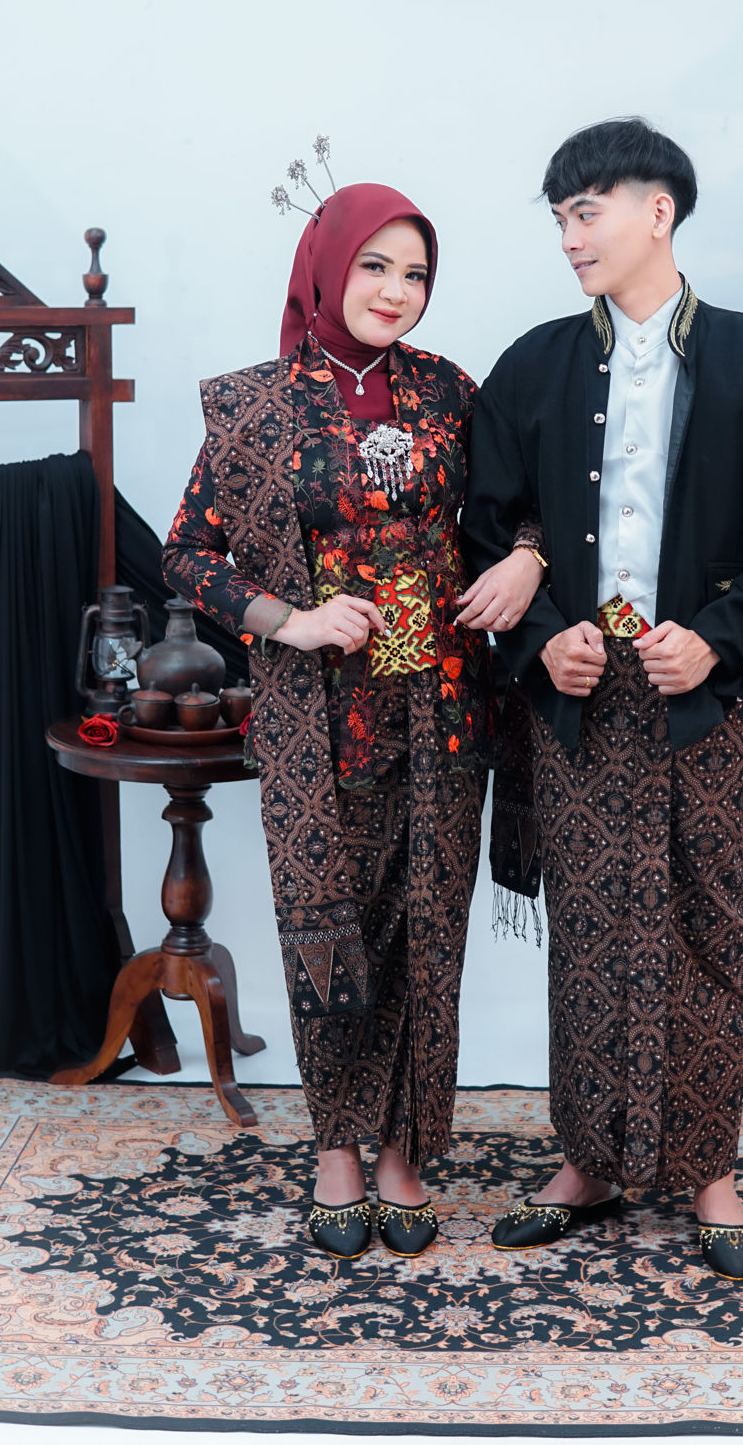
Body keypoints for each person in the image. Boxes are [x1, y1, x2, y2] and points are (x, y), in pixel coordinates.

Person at [461, 119, 743, 1281]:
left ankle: (708, 1167)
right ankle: (588, 1159)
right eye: (560, 217)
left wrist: (718, 640)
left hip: (697, 697)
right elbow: (486, 529)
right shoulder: (532, 366)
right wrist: (540, 640)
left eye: (588, 210)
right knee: (587, 926)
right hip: (576, 696)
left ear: (657, 210)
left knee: (705, 920)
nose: (570, 236)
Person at [162, 182, 541, 1261]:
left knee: (430, 928)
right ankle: (337, 1145)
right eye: (375, 265)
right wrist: (289, 618)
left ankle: (407, 1149)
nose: (396, 290)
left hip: (445, 707)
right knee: (326, 927)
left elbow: (521, 505)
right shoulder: (254, 407)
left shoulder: (453, 391)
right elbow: (186, 553)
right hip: (316, 718)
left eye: (415, 272)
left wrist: (526, 556)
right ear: (326, 267)